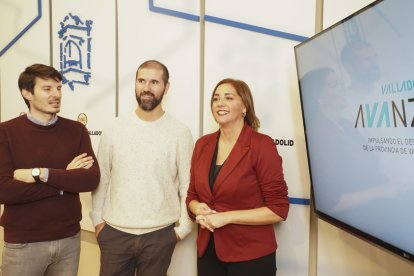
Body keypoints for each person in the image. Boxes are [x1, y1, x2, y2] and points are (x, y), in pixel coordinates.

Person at [91, 60, 194, 276]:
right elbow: (103, 178)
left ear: (166, 87)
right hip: (114, 234)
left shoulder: (180, 133)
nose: (146, 88)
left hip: (160, 235)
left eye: (154, 82)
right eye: (141, 81)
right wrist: (98, 221)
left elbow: (187, 184)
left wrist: (183, 228)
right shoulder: (113, 129)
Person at [0, 63, 100, 276]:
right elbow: (4, 190)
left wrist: (41, 174)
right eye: (47, 89)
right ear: (27, 93)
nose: (56, 94)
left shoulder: (77, 130)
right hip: (23, 244)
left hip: (68, 240)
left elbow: (90, 179)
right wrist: (65, 181)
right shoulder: (6, 132)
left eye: (59, 88)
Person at [186, 78, 289, 276]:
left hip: (250, 256)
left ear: (244, 106)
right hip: (208, 253)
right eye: (216, 99)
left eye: (228, 97)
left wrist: (227, 217)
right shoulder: (202, 145)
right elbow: (192, 194)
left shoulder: (262, 145)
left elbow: (278, 209)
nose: (220, 103)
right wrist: (196, 207)